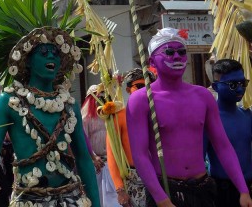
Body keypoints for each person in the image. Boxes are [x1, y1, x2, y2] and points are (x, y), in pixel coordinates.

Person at [0, 27, 100, 206]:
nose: (51, 57)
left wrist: (96, 202)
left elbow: (83, 158)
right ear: (27, 60)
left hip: (71, 197)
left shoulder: (69, 104)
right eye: (44, 52)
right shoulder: (8, 101)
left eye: (55, 53)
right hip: (29, 198)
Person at [126, 27, 252, 207]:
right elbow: (140, 155)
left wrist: (243, 190)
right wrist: (161, 199)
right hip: (166, 190)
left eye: (181, 52)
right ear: (152, 60)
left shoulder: (203, 96)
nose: (177, 56)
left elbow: (223, 145)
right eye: (169, 52)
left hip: (202, 190)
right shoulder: (141, 100)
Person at [207, 59, 252, 207]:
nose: (239, 89)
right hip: (222, 191)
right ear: (216, 87)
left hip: (249, 188)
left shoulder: (247, 115)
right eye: (232, 85)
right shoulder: (208, 120)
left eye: (242, 83)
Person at [107, 68, 154, 207]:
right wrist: (120, 189)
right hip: (134, 180)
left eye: (149, 86)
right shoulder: (119, 116)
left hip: (162, 176)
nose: (146, 90)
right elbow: (112, 155)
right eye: (139, 86)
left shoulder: (161, 113)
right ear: (128, 90)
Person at [81, 84, 120, 207]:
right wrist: (93, 157)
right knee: (98, 197)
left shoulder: (109, 115)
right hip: (96, 164)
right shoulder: (85, 118)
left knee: (112, 199)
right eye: (99, 96)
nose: (102, 99)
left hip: (110, 163)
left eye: (104, 96)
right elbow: (82, 141)